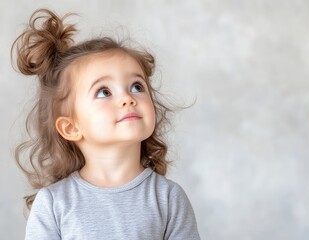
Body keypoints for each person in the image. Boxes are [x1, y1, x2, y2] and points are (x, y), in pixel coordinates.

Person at [12, 8, 200, 240]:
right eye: (104, 91)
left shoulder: (169, 198)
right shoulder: (53, 204)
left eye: (137, 86)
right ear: (71, 127)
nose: (128, 98)